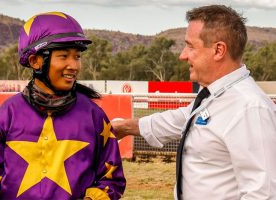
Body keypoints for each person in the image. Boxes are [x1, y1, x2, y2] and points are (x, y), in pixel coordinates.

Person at [112, 4, 276, 200]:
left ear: (218, 50)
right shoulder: (214, 96)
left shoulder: (249, 108)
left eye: (190, 46)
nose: (183, 55)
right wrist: (125, 127)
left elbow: (263, 194)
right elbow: (181, 120)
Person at [0, 12, 125, 200]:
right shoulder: (8, 113)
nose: (74, 66)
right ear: (35, 61)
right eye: (64, 56)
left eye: (77, 57)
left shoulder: (93, 115)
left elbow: (112, 179)